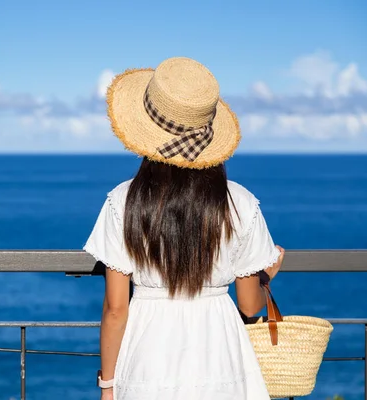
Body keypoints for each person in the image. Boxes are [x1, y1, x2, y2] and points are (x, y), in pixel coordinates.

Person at [83, 57, 285, 400]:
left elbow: (116, 309)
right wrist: (265, 275)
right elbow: (250, 307)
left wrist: (108, 386)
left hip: (149, 350)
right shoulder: (241, 203)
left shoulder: (123, 201)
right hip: (219, 350)